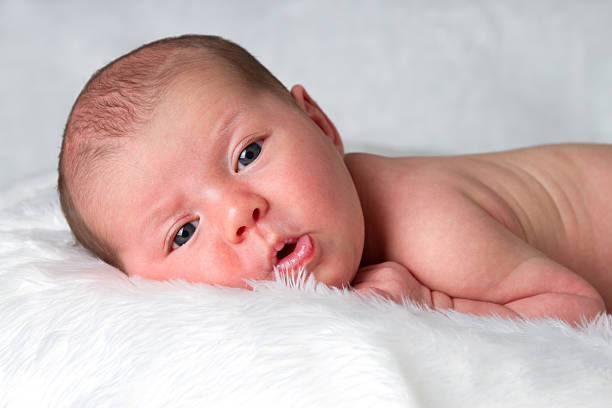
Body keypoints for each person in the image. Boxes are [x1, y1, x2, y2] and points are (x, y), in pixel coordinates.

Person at [58, 35, 611, 326]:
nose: (238, 214)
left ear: (320, 126)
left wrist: (437, 306)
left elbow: (579, 308)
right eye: (183, 232)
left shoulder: (426, 225)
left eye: (247, 153)